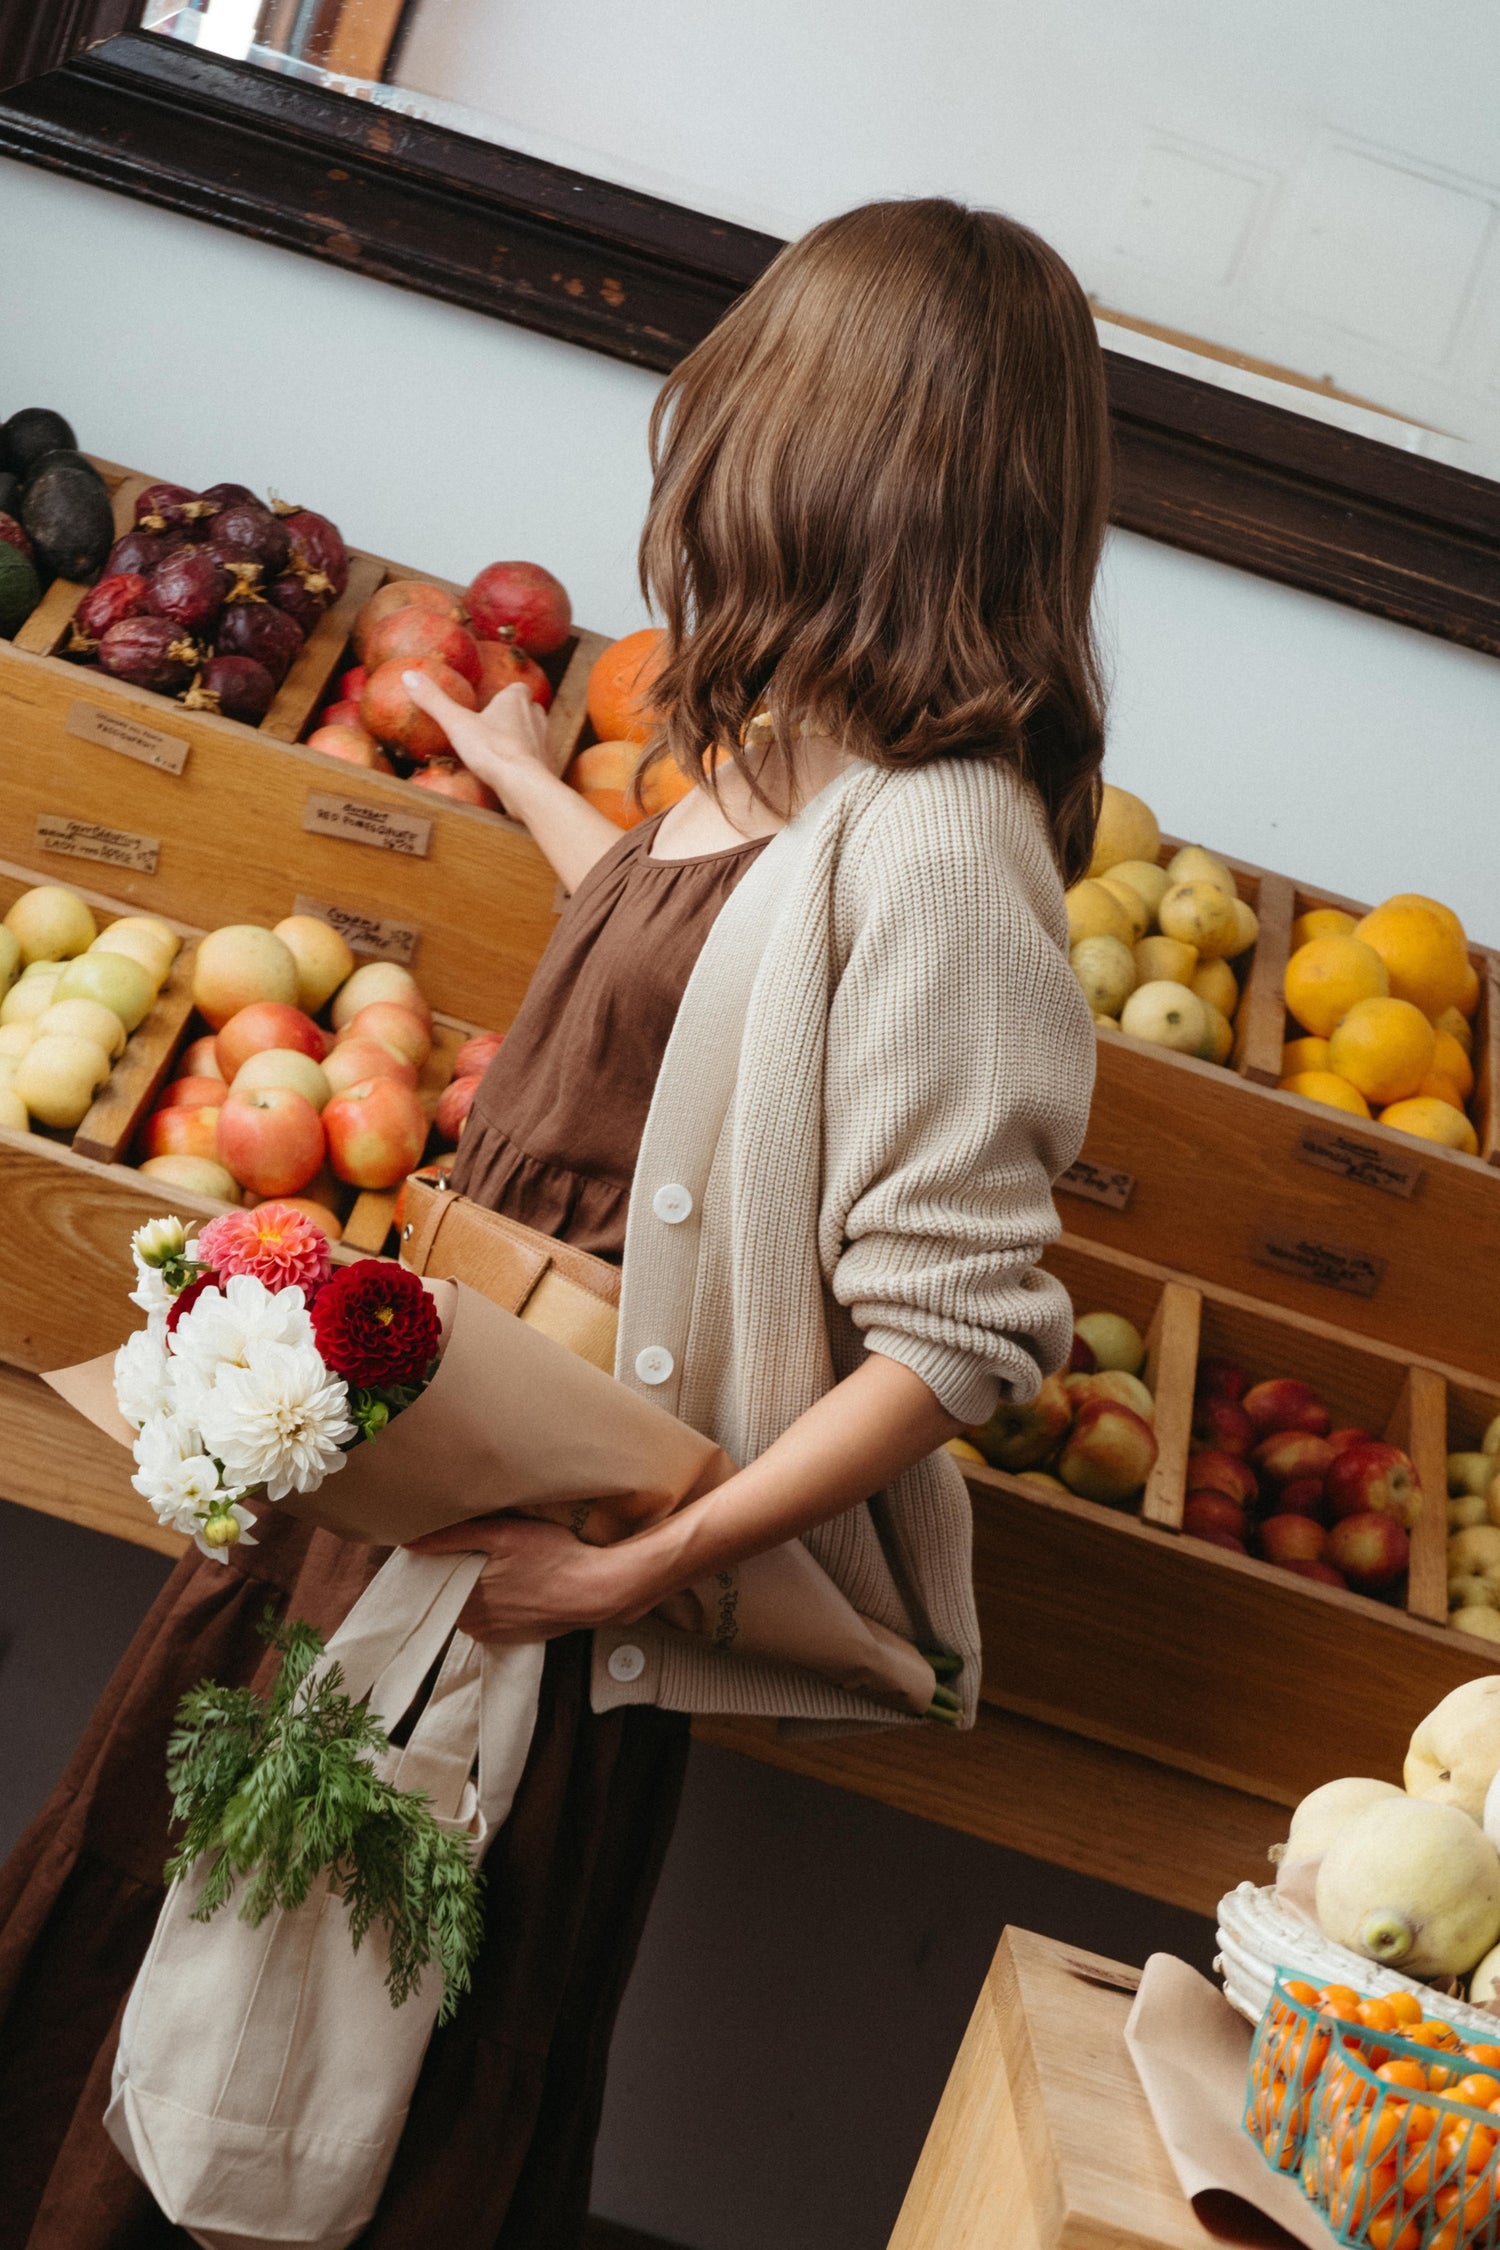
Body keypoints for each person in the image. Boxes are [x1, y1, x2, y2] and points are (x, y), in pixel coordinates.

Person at [0, 195, 1105, 2247]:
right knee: (175, 1974)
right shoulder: (787, 739)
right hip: (413, 1473)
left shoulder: (957, 839)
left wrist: (643, 1576)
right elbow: (720, 978)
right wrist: (533, 781)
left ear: (840, 456)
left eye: (756, 402)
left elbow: (963, 1336)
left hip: (543, 1558)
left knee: (346, 2075)